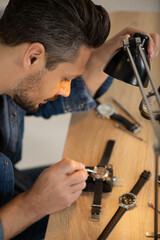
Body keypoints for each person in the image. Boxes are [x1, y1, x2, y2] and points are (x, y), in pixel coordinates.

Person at [0, 0, 159, 239]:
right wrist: (33, 205)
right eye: (65, 77)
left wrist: (98, 58)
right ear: (33, 57)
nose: (66, 89)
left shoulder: (13, 75)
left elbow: (36, 99)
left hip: (12, 182)